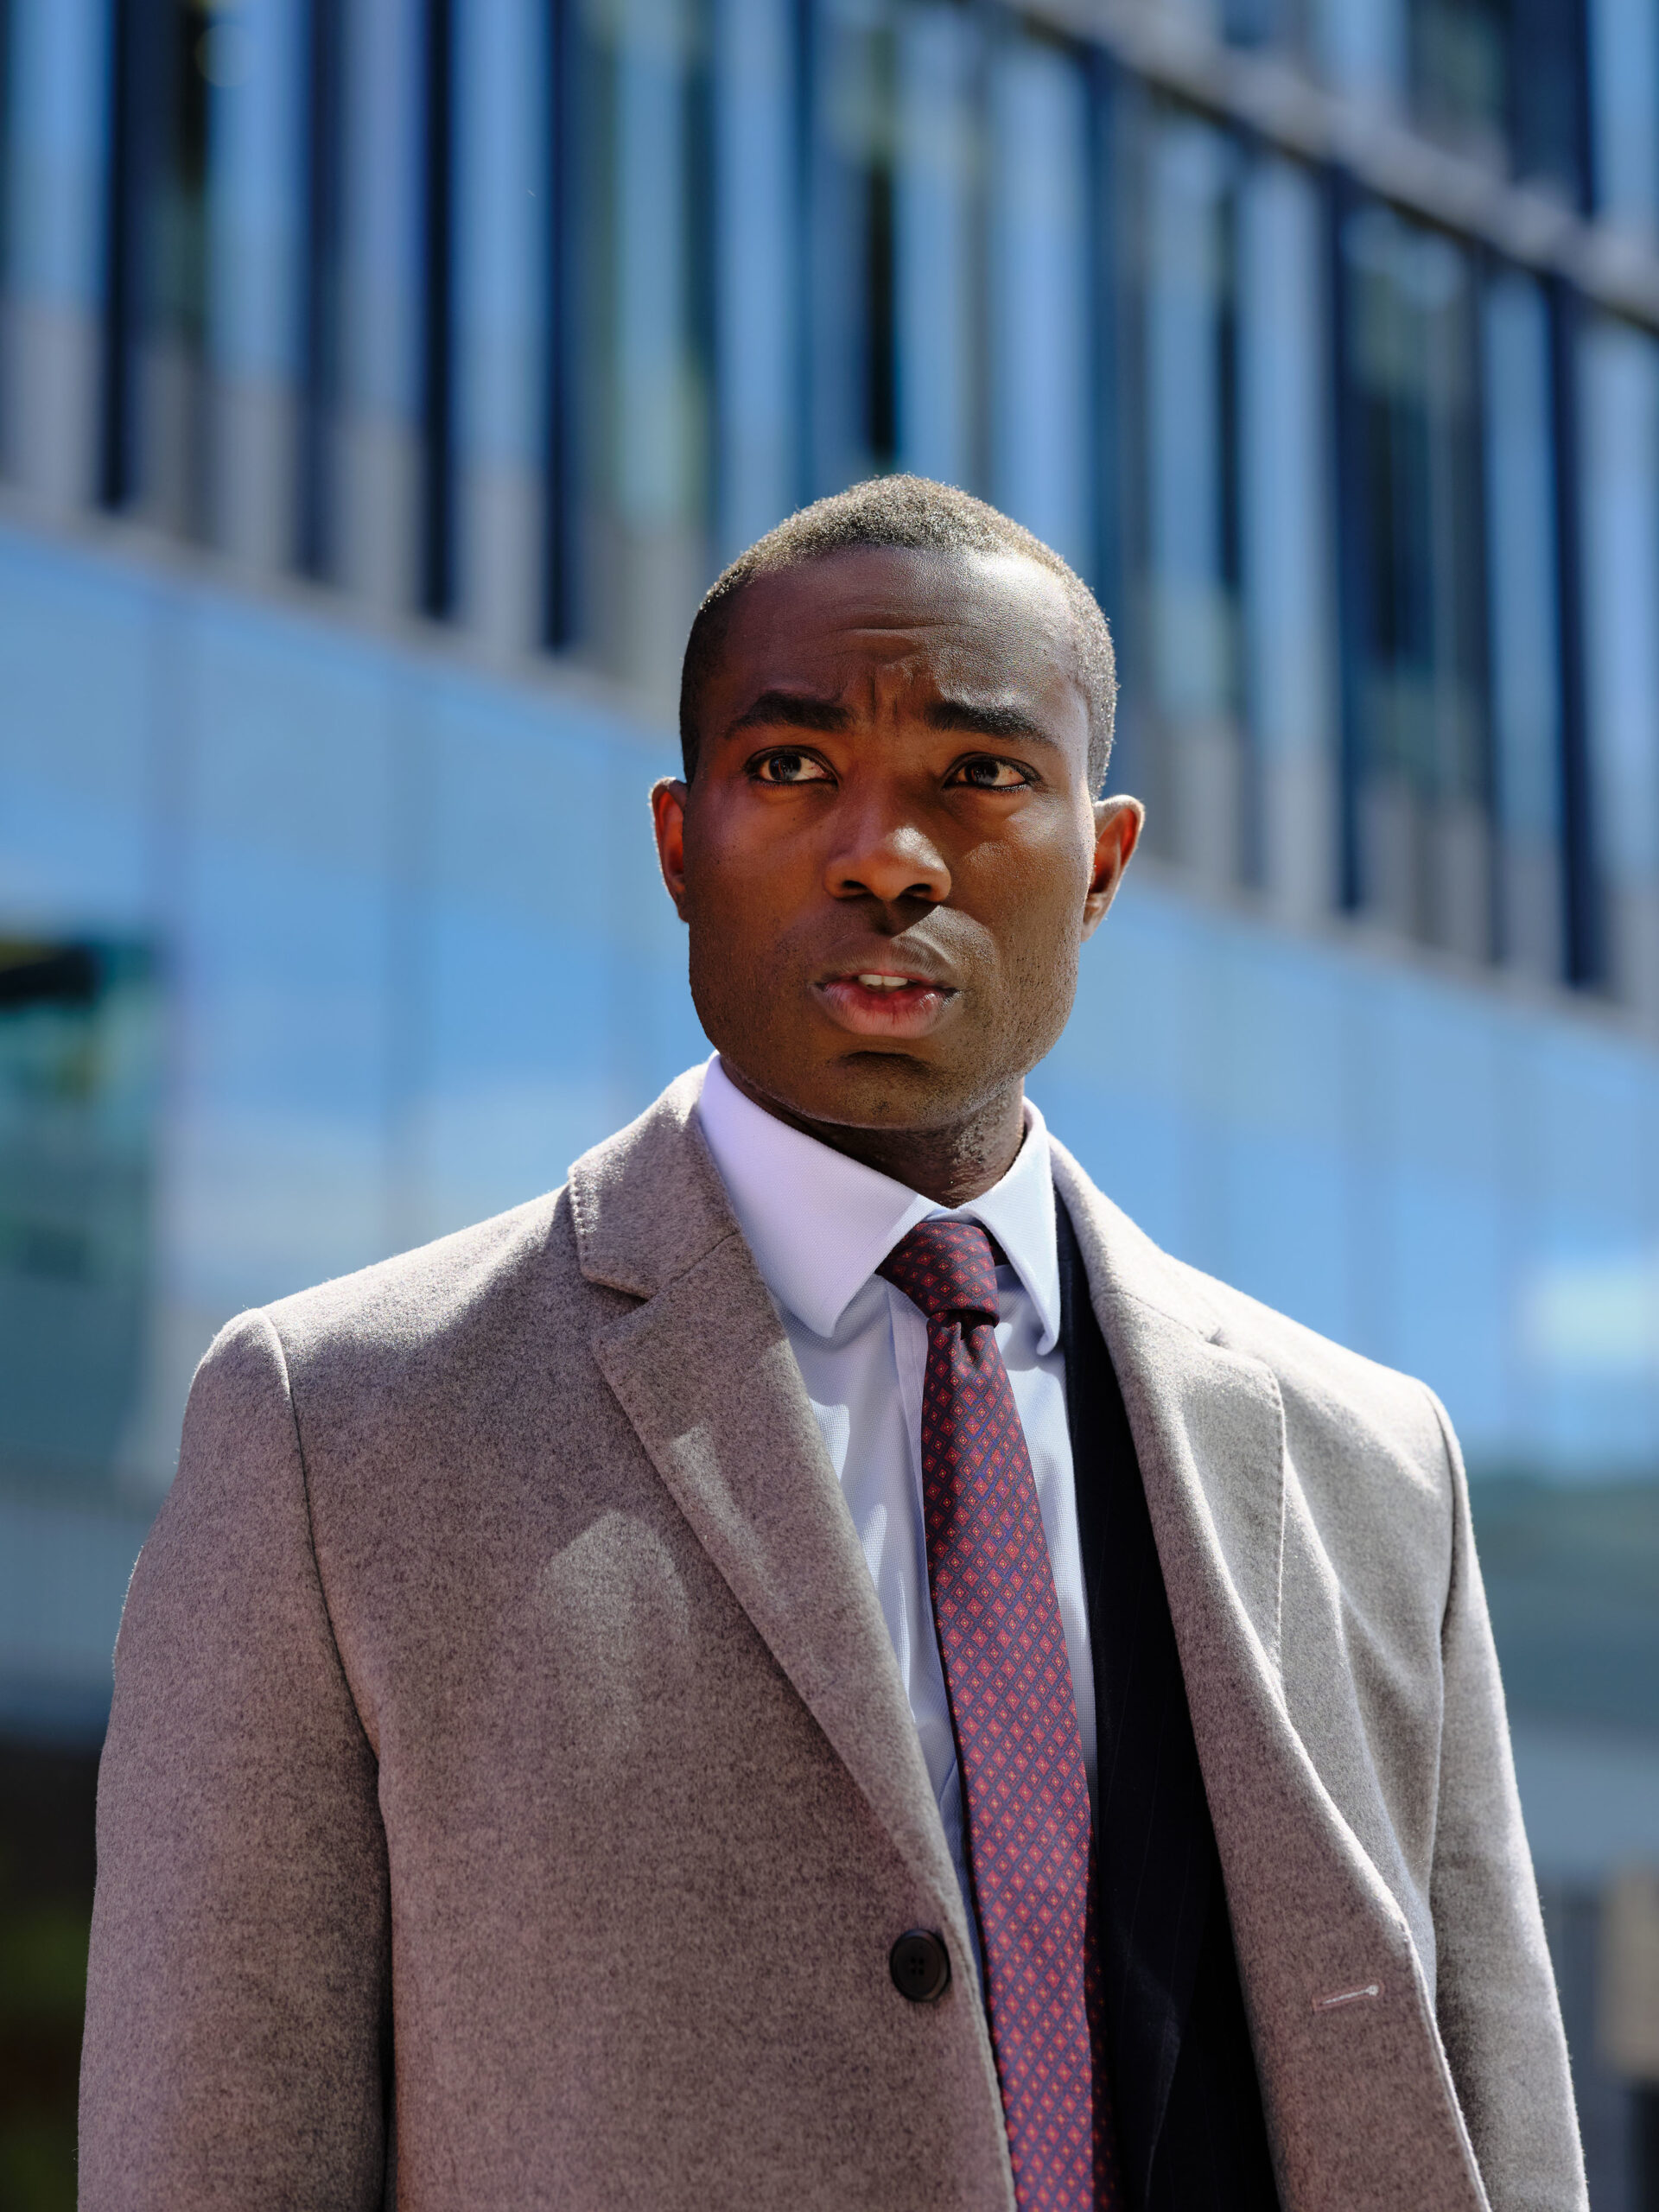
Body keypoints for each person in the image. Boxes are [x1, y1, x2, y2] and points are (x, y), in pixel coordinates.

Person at [79, 477, 1585, 2212]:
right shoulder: (336, 1428)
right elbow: (209, 2156)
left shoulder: (1377, 1466)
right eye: (792, 769)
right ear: (678, 843)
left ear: (1101, 862)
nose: (887, 852)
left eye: (982, 773)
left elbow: (1494, 2127)